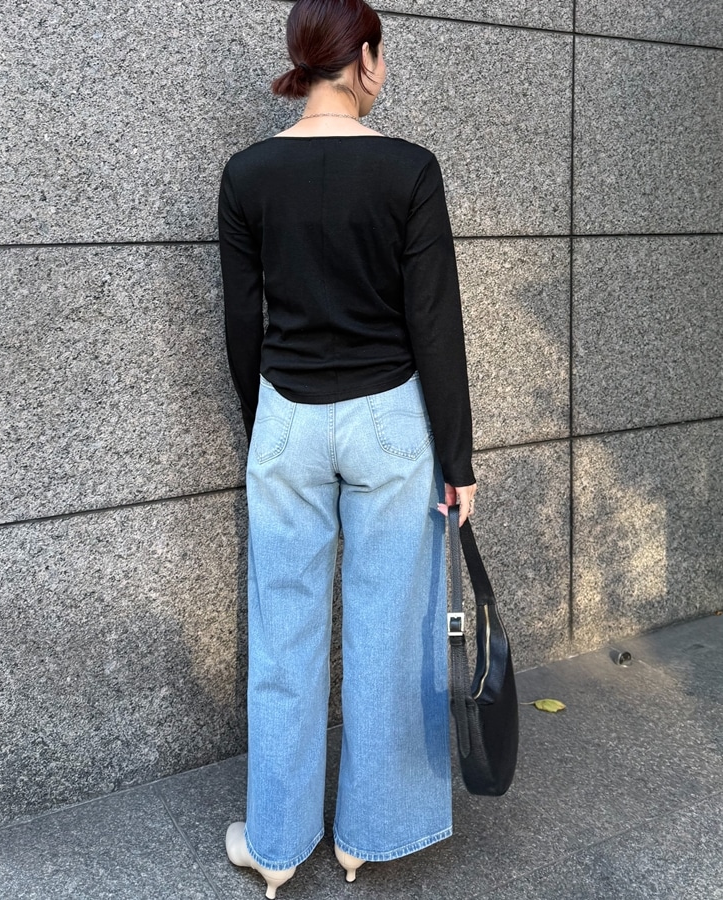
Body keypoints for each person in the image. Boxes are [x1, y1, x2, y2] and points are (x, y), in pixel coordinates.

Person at [217, 0, 476, 895]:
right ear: (363, 58)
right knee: (388, 627)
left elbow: (241, 323)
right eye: (383, 56)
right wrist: (458, 460)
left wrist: (267, 427)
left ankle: (276, 848)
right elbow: (435, 323)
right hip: (391, 421)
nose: (384, 71)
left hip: (286, 411)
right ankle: (368, 834)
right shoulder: (408, 170)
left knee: (283, 633)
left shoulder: (248, 174)